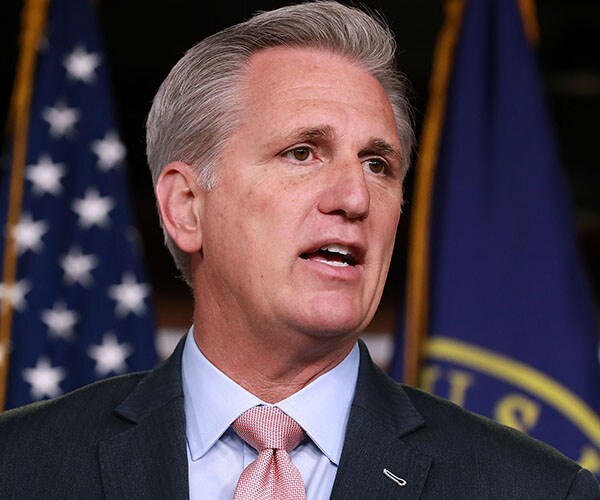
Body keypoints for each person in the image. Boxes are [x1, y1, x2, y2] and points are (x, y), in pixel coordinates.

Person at [1, 1, 598, 498]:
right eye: (303, 153)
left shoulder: (537, 489)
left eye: (378, 164)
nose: (354, 198)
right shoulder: (20, 467)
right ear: (186, 207)